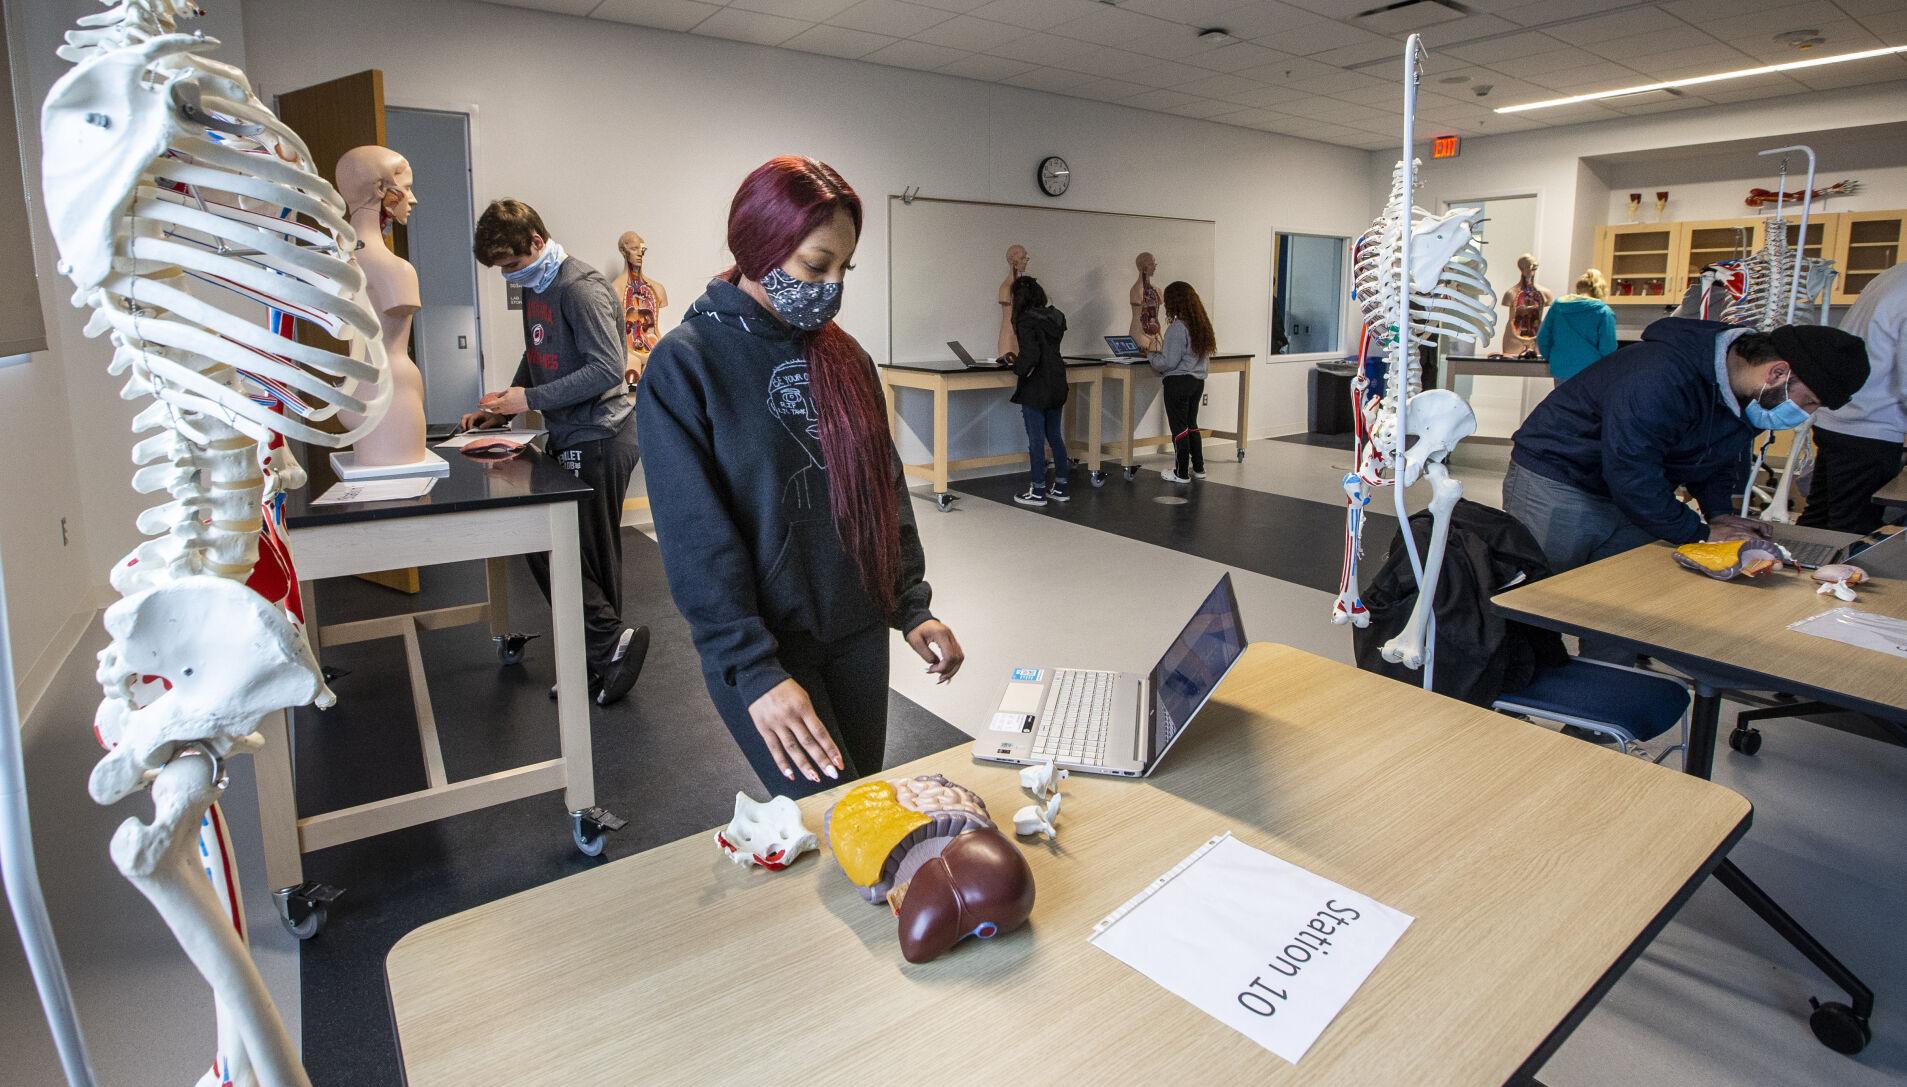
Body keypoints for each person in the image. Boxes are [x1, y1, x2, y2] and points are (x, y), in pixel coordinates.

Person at [637, 157, 964, 796]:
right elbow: (696, 538)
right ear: (761, 245)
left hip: (858, 627)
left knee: (863, 797)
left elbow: (882, 488)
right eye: (817, 266)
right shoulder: (687, 364)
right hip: (768, 647)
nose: (832, 286)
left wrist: (911, 606)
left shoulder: (846, 358)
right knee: (835, 810)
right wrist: (753, 670)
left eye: (845, 269)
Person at [463, 199, 650, 706]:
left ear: (537, 244)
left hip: (602, 435)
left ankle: (606, 648)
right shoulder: (538, 288)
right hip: (571, 434)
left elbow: (607, 369)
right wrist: (504, 409)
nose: (508, 275)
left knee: (565, 545)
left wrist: (529, 401)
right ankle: (603, 656)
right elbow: (537, 353)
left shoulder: (580, 289)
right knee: (585, 551)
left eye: (512, 264)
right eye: (501, 269)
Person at [1503, 317, 1869, 574]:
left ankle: (1612, 678)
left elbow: (1714, 457)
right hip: (1561, 479)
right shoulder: (1659, 375)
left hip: (1633, 491)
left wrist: (1718, 513)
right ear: (1777, 372)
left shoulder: (1747, 394)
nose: (1804, 414)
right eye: (1809, 402)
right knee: (1536, 593)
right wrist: (1701, 532)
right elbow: (1631, 469)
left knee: (1621, 606)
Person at [1799, 261, 1906, 533]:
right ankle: (1830, 575)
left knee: (1819, 522)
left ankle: (1790, 568)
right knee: (1849, 531)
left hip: (1840, 417)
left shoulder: (1894, 274)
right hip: (1870, 428)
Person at [1005, 275, 1070, 506]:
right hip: (1058, 380)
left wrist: (1016, 368)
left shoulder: (1025, 320)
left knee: (1035, 439)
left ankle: (1038, 491)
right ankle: (1061, 486)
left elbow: (1031, 355)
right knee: (1055, 435)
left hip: (1036, 385)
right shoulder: (1056, 317)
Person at [1145, 280, 1216, 484]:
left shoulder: (1177, 327)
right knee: (1191, 425)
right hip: (1196, 382)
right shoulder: (1200, 325)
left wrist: (1151, 355)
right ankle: (1199, 467)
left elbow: (1168, 362)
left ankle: (1181, 472)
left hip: (1178, 383)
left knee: (1179, 428)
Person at [1535, 269, 1617, 383]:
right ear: (1600, 291)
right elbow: (1608, 348)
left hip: (1561, 369)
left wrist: (1555, 358)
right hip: (1591, 372)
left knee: (1562, 401)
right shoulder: (1604, 312)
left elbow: (1542, 337)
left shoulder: (1558, 307)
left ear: (1578, 289)